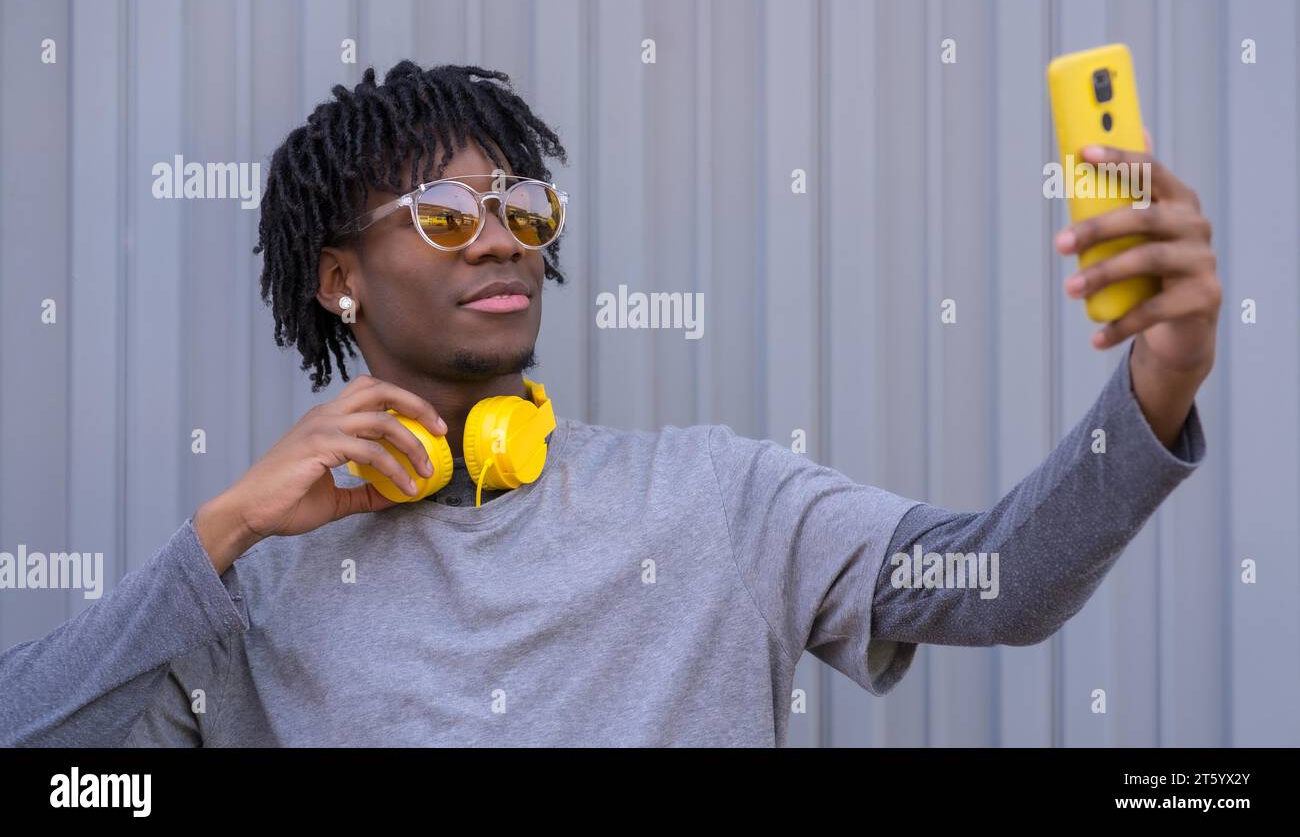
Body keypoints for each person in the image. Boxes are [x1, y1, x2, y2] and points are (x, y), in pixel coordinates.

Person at [0, 62, 1216, 747]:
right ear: (338, 279)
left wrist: (1159, 376)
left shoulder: (717, 498)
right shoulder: (246, 594)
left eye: (524, 212)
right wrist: (220, 534)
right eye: (444, 217)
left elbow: (998, 581)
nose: (502, 243)